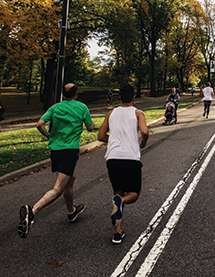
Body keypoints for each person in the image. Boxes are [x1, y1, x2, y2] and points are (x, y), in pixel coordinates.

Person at [18, 83, 95, 238]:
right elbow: (91, 128)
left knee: (70, 179)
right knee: (58, 188)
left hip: (55, 151)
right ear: (76, 94)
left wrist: (49, 136)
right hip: (69, 150)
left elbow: (39, 124)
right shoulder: (81, 107)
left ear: (62, 94)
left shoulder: (55, 108)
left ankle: (71, 212)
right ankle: (32, 211)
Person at [97, 84, 150, 244]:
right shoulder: (138, 113)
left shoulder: (111, 113)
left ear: (119, 97)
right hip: (130, 158)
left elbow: (100, 136)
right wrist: (143, 142)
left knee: (118, 191)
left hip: (112, 158)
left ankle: (117, 232)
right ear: (134, 97)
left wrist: (112, 140)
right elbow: (145, 131)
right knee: (133, 193)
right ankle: (122, 203)